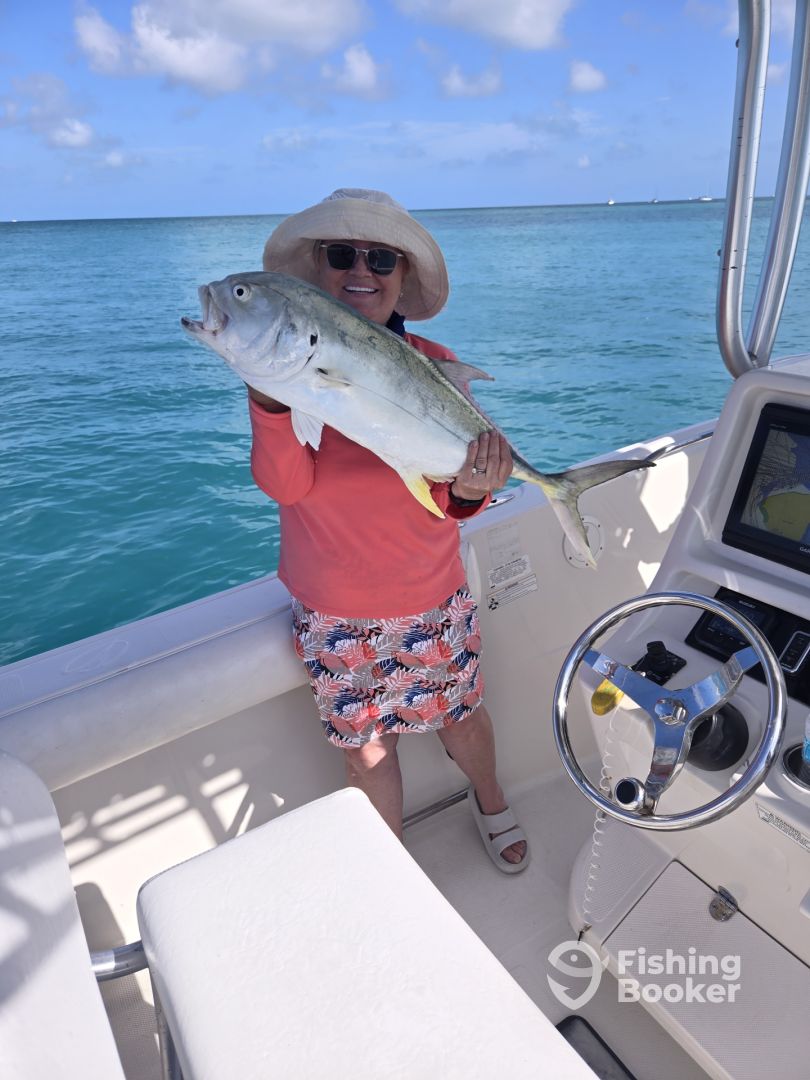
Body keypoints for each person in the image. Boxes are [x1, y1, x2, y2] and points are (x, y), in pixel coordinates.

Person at [247, 188, 529, 872]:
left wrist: (472, 489)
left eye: (381, 259)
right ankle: (393, 872)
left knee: (463, 722)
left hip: (430, 596)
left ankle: (491, 799)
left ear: (402, 277)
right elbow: (286, 486)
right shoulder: (288, 366)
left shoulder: (433, 360)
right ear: (317, 268)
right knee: (368, 753)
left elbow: (450, 496)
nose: (360, 270)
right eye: (341, 254)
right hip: (332, 608)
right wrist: (266, 400)